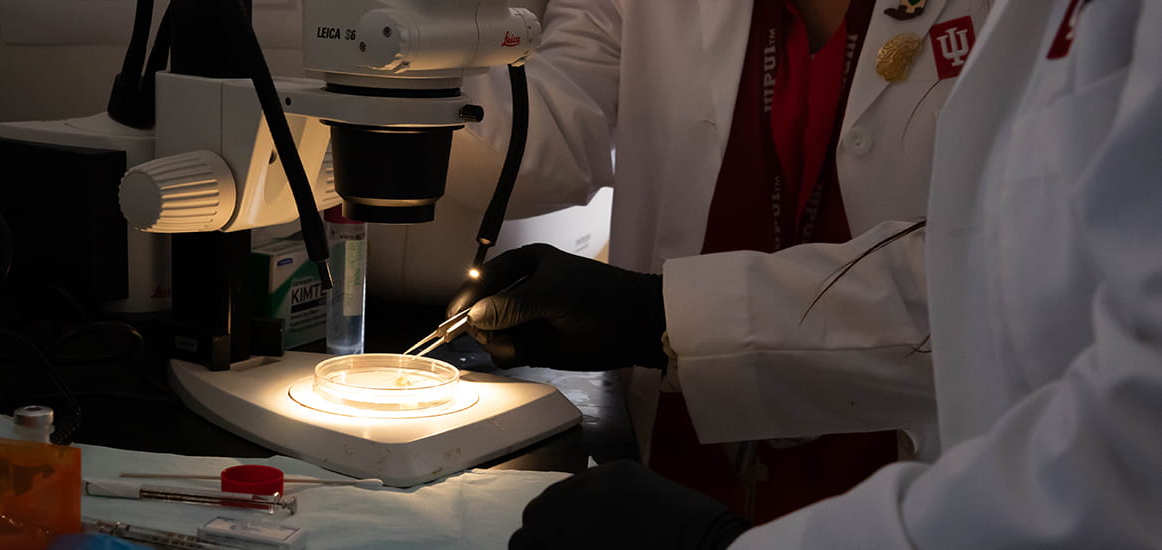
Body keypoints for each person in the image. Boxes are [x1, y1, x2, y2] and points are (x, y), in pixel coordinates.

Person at [460, 0, 1162, 546]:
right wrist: (410, 53)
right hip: (681, 454)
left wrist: (660, 314)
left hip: (925, 482)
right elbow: (546, 135)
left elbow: (996, 282)